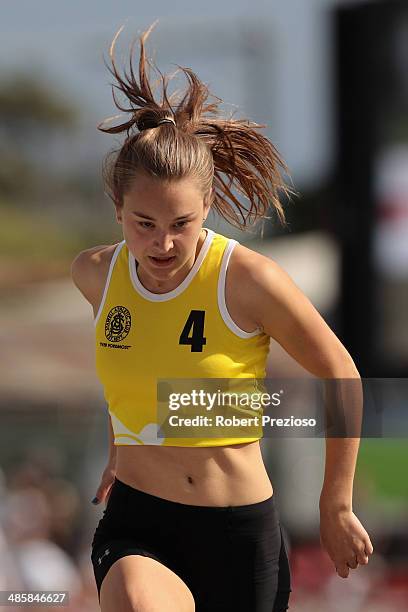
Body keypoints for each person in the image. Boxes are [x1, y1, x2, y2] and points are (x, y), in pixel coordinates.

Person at [71, 20, 373, 612]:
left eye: (181, 224)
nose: (162, 245)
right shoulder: (95, 276)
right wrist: (119, 442)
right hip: (139, 525)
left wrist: (335, 503)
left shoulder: (247, 280)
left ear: (207, 207)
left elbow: (342, 374)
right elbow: (133, 369)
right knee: (134, 599)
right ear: (118, 210)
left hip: (237, 534)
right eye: (144, 225)